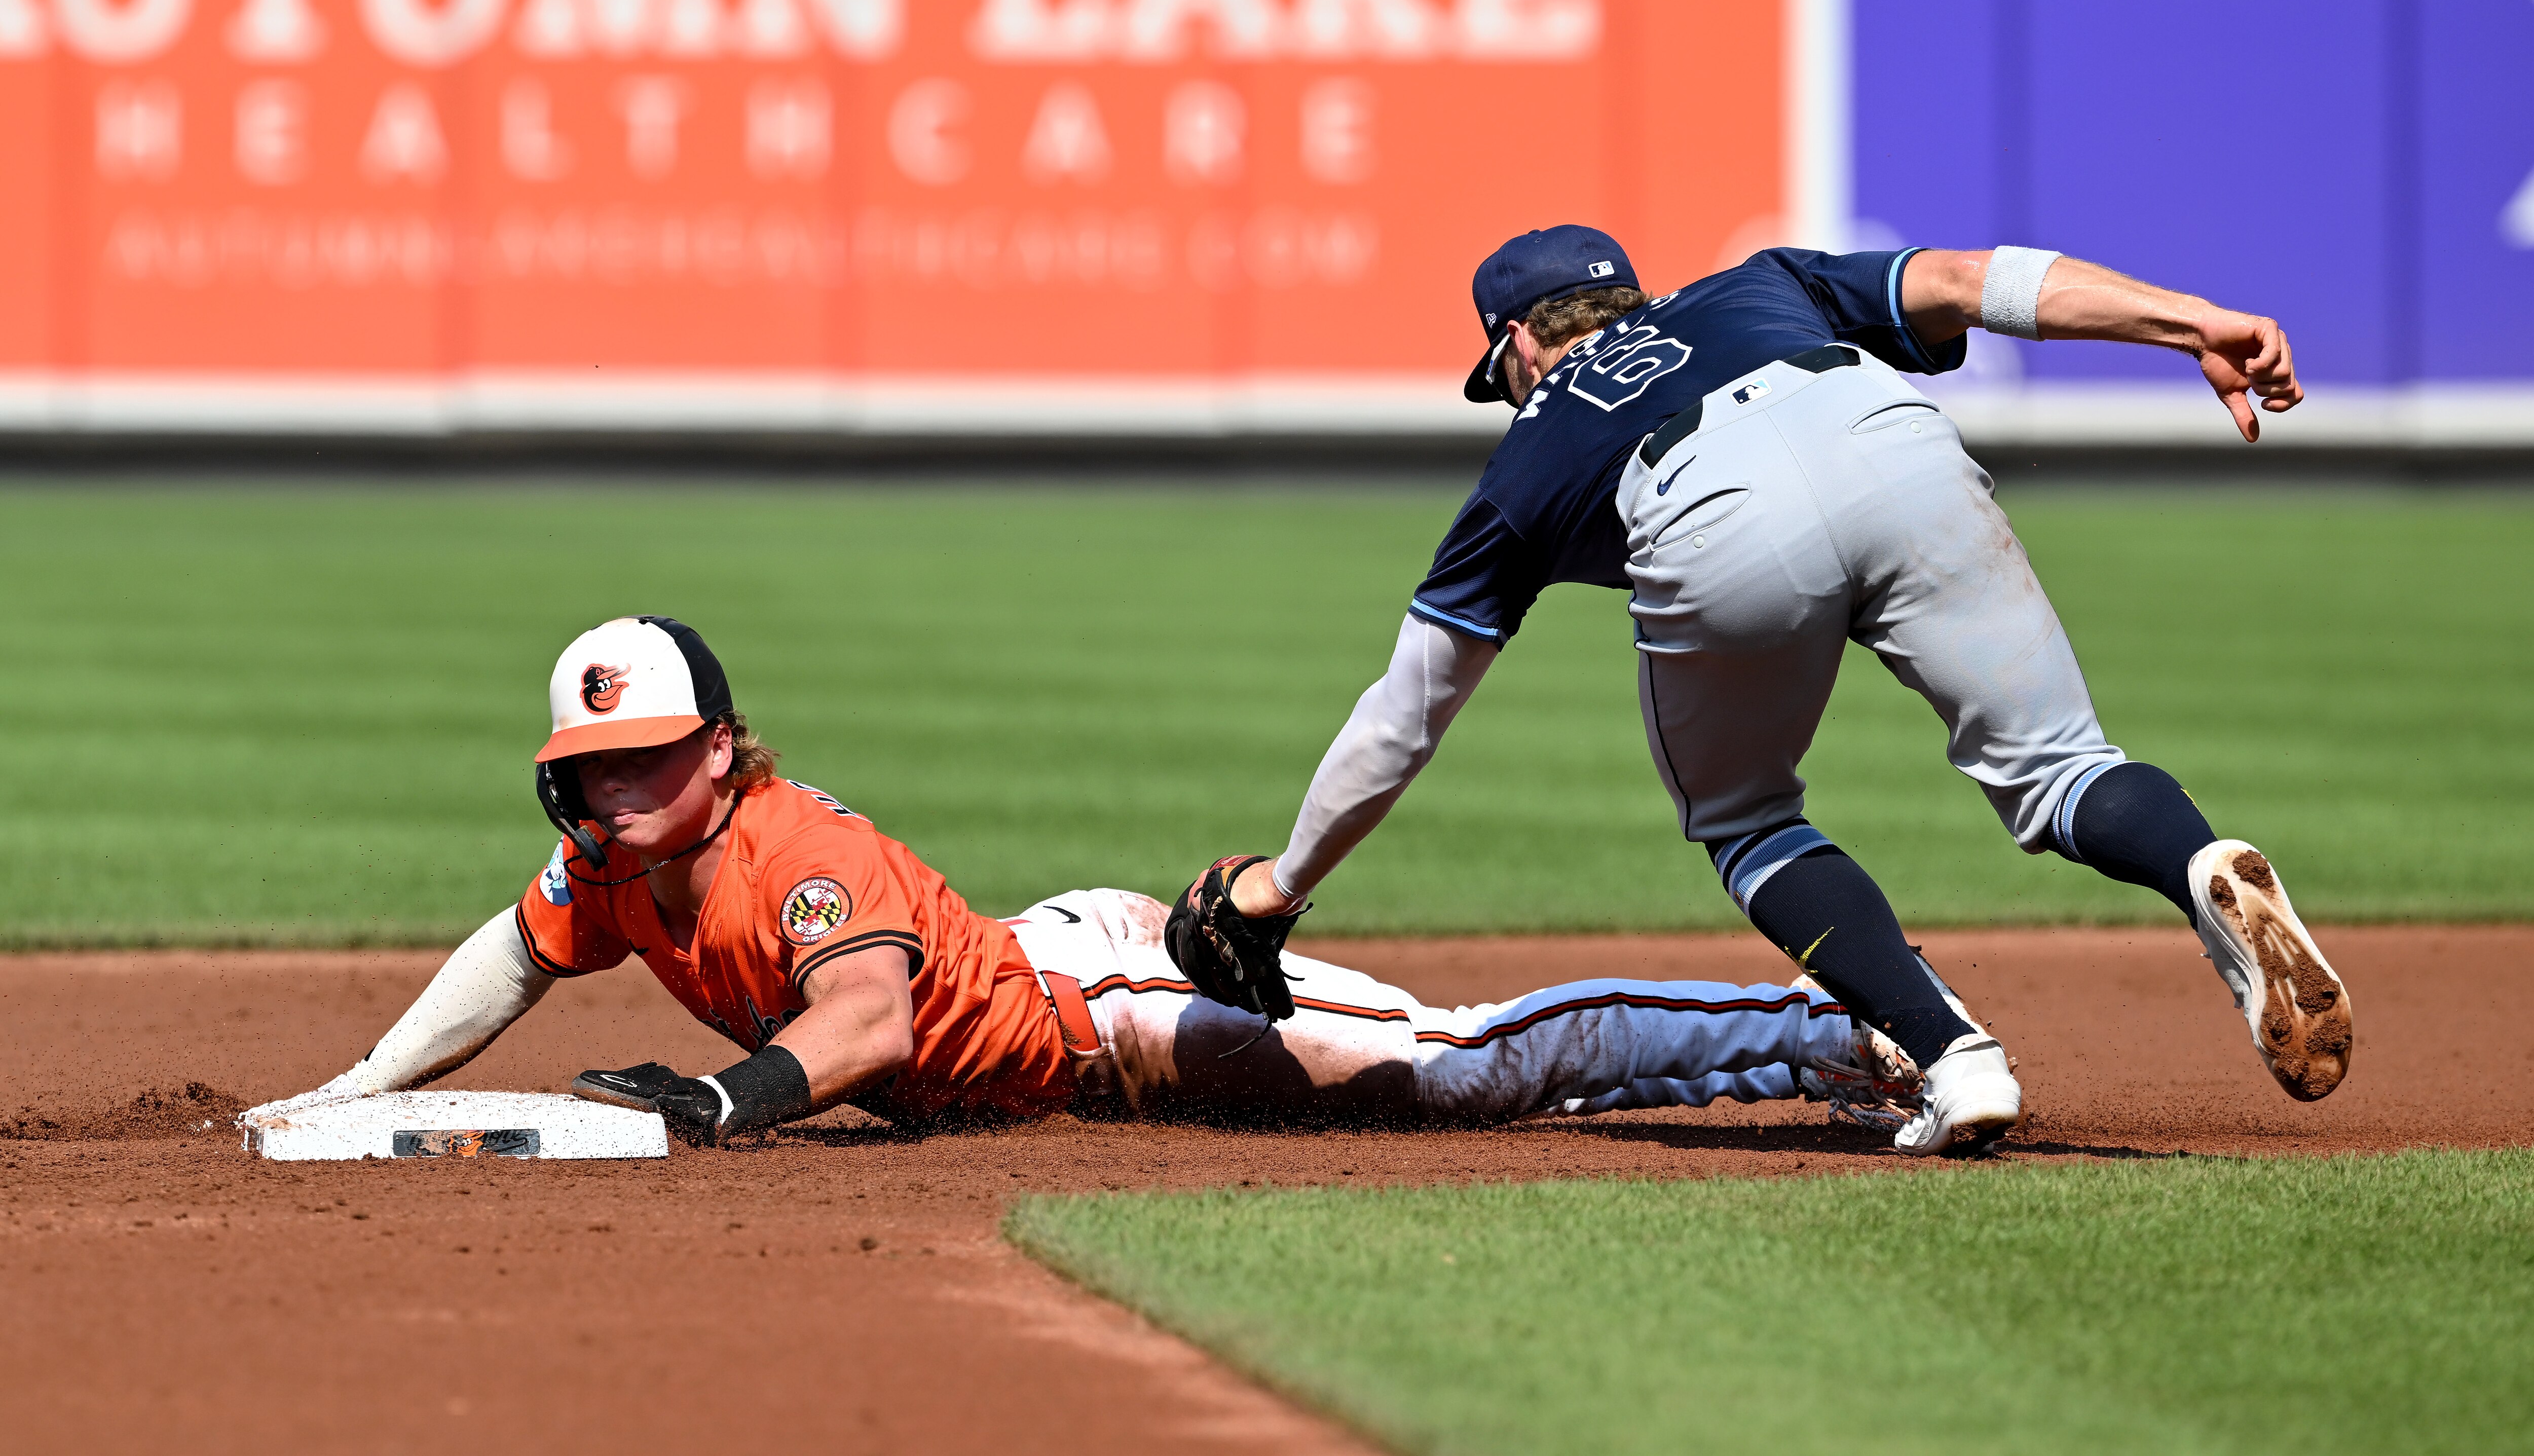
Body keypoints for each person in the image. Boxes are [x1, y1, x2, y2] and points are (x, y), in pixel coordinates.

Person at [1183, 230, 2352, 1156]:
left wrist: (1280, 890)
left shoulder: (1536, 440)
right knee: (2063, 770)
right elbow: (1967, 280)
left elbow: (1407, 713)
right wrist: (2189, 321)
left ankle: (1957, 1062)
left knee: (1746, 823)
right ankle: (2199, 865)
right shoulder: (1753, 286)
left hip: (1708, 508)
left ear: (1518, 348)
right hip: (1882, 434)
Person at [247, 614, 1923, 1145]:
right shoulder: (619, 866)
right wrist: (365, 1079)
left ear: (721, 749)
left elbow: (868, 1024)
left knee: (1454, 1066)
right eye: (594, 770)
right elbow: (510, 953)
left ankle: (1847, 1036)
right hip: (1050, 992)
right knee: (1416, 1086)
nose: (617, 790)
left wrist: (714, 1104)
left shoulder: (790, 851)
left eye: (650, 757)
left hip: (1105, 1005)